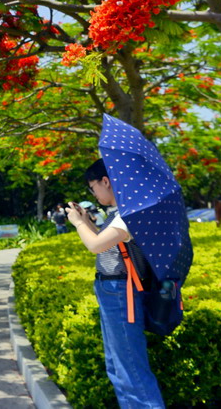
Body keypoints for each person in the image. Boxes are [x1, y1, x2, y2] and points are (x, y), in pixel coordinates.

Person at [67, 158, 165, 409]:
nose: (94, 193)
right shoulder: (122, 212)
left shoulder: (130, 212)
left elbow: (95, 245)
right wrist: (86, 221)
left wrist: (78, 223)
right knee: (118, 367)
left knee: (130, 369)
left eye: (93, 188)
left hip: (122, 294)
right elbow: (106, 243)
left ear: (106, 181)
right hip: (113, 291)